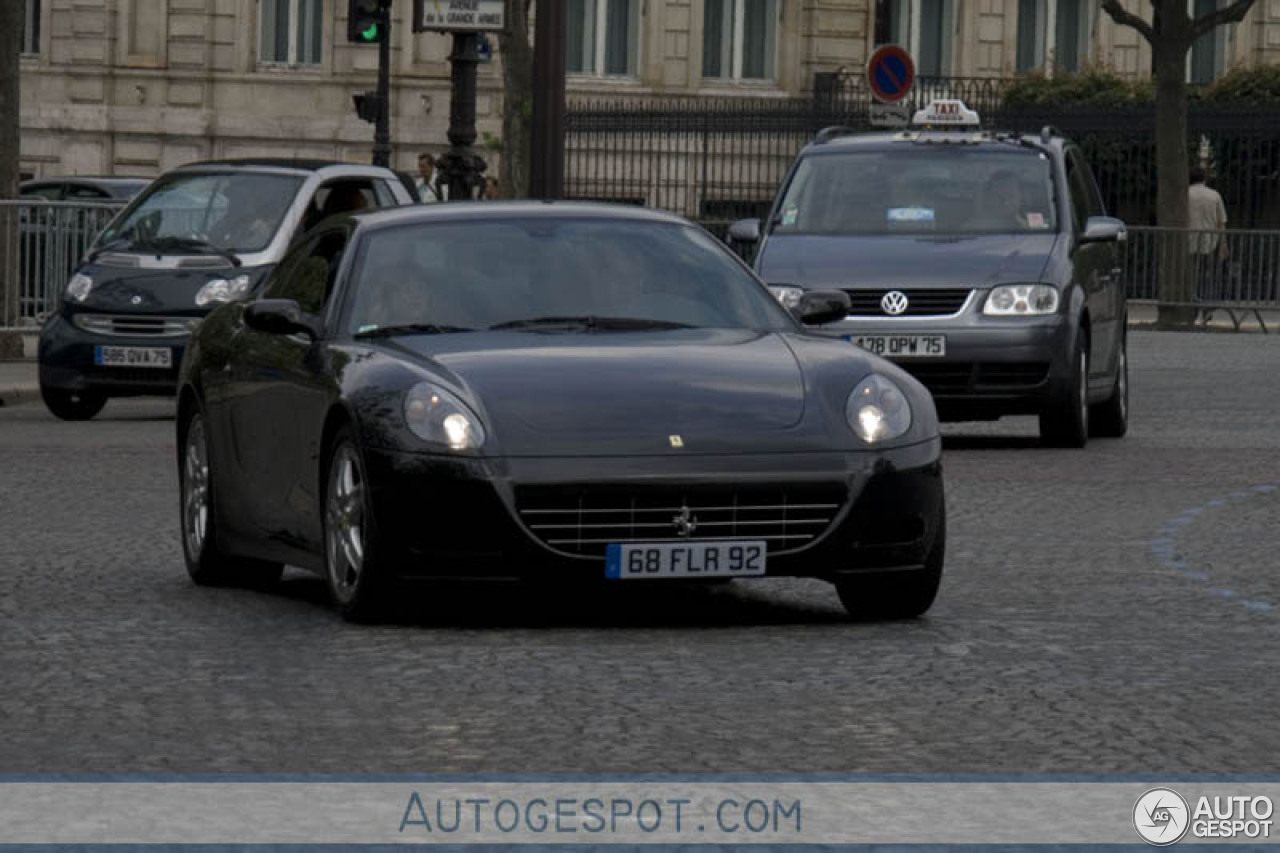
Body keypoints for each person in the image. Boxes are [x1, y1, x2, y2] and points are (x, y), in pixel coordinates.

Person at [1189, 164, 1229, 303]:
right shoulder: (1214, 195)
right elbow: (1221, 222)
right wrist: (1223, 244)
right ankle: (1207, 303)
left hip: (1188, 240)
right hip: (1210, 241)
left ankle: (1191, 298)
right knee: (1208, 274)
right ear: (1204, 178)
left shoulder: (1185, 194)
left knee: (1190, 273)